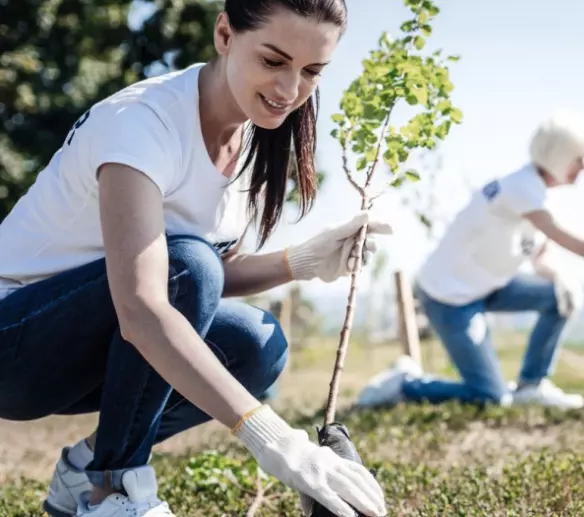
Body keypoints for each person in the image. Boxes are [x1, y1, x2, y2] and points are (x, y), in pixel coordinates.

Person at [0, 1, 390, 516]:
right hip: (15, 346)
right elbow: (145, 304)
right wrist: (276, 441)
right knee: (188, 265)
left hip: (89, 343)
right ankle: (115, 491)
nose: (290, 90)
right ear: (225, 34)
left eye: (312, 71)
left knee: (258, 344)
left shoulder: (249, 136)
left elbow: (200, 283)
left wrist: (304, 260)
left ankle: (85, 474)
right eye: (274, 61)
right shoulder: (141, 123)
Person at [355, 110, 584, 411]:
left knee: (558, 298)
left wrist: (559, 279)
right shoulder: (523, 189)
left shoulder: (534, 193)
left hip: (488, 284)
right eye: (579, 157)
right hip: (450, 297)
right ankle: (405, 384)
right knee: (489, 396)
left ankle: (532, 386)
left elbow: (540, 258)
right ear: (560, 156)